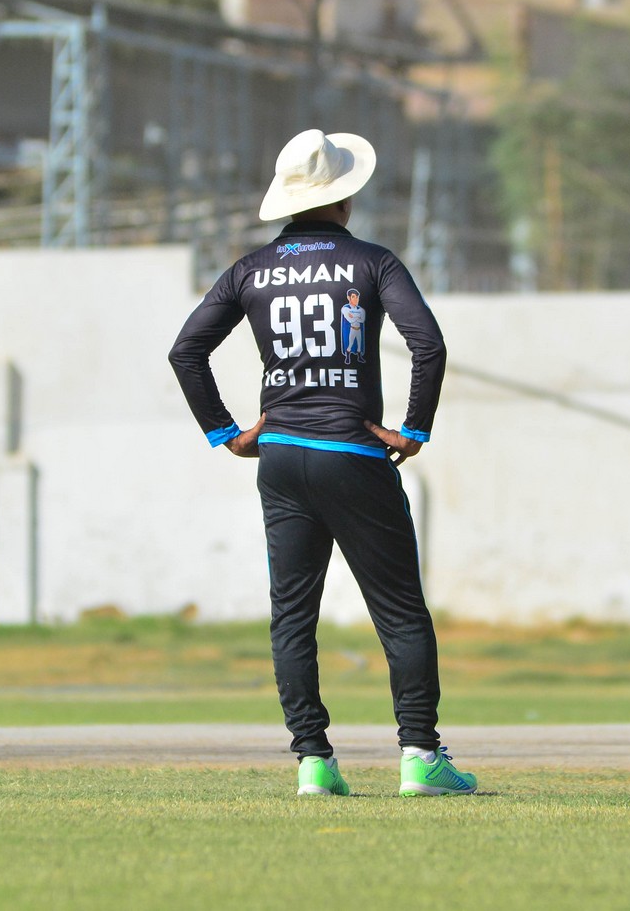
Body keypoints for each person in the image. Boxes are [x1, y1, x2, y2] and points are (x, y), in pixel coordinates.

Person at [168, 128, 476, 797]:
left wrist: (228, 434)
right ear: (344, 196)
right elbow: (428, 344)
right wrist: (413, 430)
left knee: (292, 615)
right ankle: (420, 756)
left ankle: (313, 760)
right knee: (400, 612)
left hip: (280, 459)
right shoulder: (373, 263)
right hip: (354, 454)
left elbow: (185, 351)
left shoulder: (250, 270)